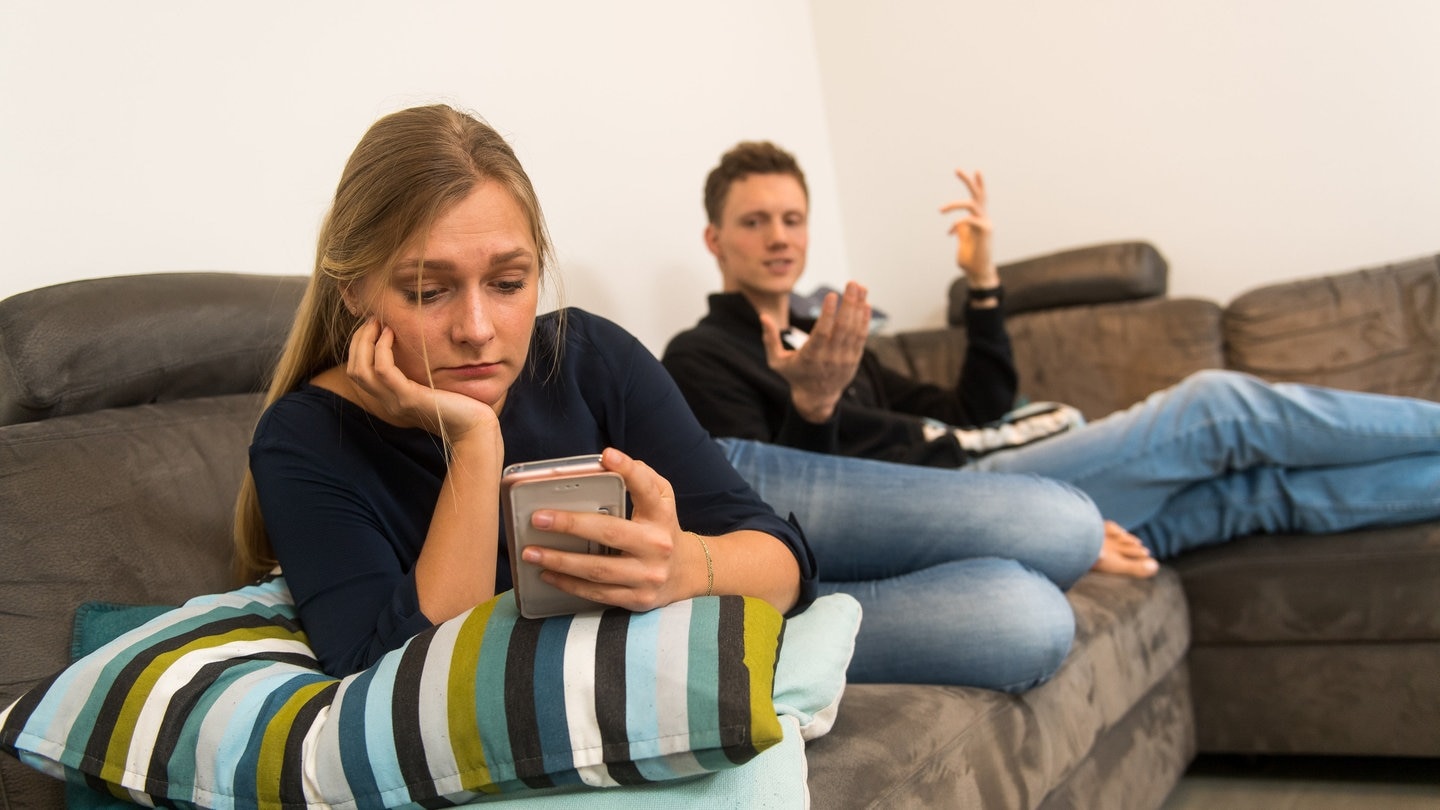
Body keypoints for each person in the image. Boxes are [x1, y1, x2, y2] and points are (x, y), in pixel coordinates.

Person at [231, 105, 813, 679]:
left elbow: (788, 564)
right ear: (353, 291)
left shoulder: (588, 357)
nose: (478, 329)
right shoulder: (304, 441)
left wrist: (687, 567)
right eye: (428, 291)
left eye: (509, 283)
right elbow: (404, 691)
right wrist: (476, 442)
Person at [662, 140, 1440, 568]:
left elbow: (977, 412)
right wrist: (814, 403)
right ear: (715, 240)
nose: (779, 237)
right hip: (950, 500)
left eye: (792, 219)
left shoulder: (833, 333)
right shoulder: (699, 357)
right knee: (1218, 410)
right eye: (756, 221)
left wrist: (984, 283)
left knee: (1258, 494)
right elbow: (786, 512)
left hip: (988, 469)